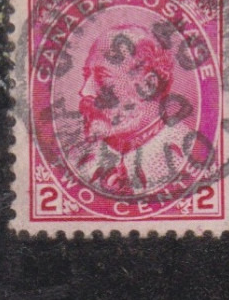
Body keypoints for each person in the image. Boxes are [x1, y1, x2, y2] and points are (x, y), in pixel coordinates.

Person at [62, 23, 200, 198]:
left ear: (148, 85)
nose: (84, 91)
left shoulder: (193, 158)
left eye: (101, 77)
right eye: (86, 75)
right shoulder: (75, 161)